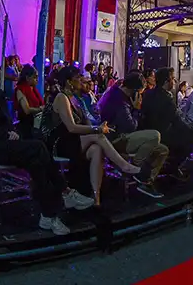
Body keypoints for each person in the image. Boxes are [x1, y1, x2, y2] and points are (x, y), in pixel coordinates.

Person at [0, 54, 93, 235]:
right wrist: (6, 133)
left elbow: (7, 121)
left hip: (5, 143)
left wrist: (11, 131)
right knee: (38, 147)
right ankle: (64, 191)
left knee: (36, 162)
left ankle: (48, 216)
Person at [42, 66, 143, 206]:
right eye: (78, 78)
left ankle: (96, 197)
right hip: (59, 144)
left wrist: (99, 126)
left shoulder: (75, 98)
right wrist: (97, 129)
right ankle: (124, 166)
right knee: (98, 136)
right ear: (69, 82)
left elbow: (87, 122)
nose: (81, 81)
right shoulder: (61, 97)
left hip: (73, 141)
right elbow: (71, 127)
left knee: (97, 149)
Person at [99, 72, 169, 198]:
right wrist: (136, 109)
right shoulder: (119, 100)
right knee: (155, 135)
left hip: (126, 136)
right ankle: (137, 171)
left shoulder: (121, 95)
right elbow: (130, 126)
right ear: (135, 91)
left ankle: (146, 182)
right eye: (140, 93)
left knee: (162, 150)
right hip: (117, 139)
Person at [142, 67, 193, 180]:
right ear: (166, 82)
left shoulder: (149, 93)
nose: (174, 81)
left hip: (150, 131)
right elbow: (177, 120)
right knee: (191, 140)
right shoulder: (166, 99)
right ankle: (173, 167)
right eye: (172, 79)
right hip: (161, 133)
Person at [13, 64, 45, 139]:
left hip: (36, 124)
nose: (37, 79)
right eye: (34, 77)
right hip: (26, 126)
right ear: (27, 78)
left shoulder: (34, 90)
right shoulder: (20, 90)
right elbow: (26, 110)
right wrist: (40, 109)